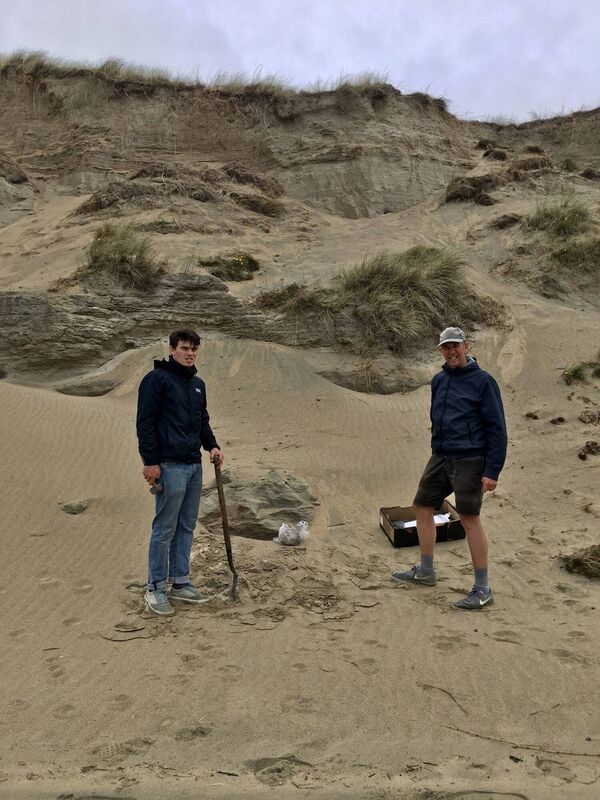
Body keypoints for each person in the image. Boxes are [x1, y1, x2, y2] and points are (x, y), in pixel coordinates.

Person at [392, 327, 507, 610]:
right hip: (440, 457)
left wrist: (492, 470)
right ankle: (426, 570)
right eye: (446, 347)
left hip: (470, 459)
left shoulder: (483, 381)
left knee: (469, 519)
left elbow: (497, 429)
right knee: (421, 506)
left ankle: (482, 589)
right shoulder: (439, 380)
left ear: (466, 346)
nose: (451, 351)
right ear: (440, 351)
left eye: (456, 346)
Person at [136, 328, 224, 616]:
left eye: (193, 349)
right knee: (165, 528)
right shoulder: (156, 380)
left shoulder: (198, 384)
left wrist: (212, 446)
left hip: (193, 465)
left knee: (186, 526)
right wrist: (150, 462)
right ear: (172, 349)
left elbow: (202, 423)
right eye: (184, 348)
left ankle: (180, 583)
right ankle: (156, 587)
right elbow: (145, 423)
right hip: (168, 465)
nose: (189, 353)